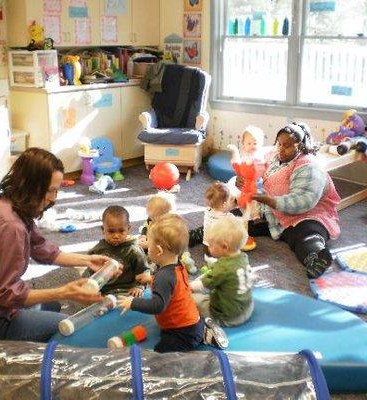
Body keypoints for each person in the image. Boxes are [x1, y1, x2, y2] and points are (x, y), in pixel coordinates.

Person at [0, 148, 121, 342]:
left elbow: (41, 248)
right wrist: (66, 292)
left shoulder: (8, 203)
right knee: (68, 326)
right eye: (50, 191)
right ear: (30, 185)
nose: (54, 198)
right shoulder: (11, 226)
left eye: (56, 190)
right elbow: (6, 294)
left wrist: (88, 260)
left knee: (52, 306)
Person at [237, 122, 341, 279]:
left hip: (305, 215)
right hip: (273, 214)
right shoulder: (274, 155)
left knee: (305, 236)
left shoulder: (310, 167)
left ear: (299, 146)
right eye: (278, 144)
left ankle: (316, 257)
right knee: (238, 218)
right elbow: (254, 168)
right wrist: (243, 179)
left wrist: (270, 200)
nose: (279, 149)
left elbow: (303, 200)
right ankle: (207, 231)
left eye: (286, 146)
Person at [119, 214, 228, 352]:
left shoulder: (164, 276)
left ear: (158, 250)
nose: (147, 247)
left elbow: (158, 306)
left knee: (160, 354)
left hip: (182, 332)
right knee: (187, 328)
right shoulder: (178, 265)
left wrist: (133, 303)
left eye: (148, 243)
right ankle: (203, 332)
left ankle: (200, 336)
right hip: (192, 320)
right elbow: (173, 286)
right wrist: (150, 279)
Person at [191, 216, 254, 327]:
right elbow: (229, 270)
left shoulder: (223, 268)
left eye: (210, 244)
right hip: (247, 308)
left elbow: (203, 286)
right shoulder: (243, 257)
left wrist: (187, 286)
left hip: (228, 317)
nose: (208, 247)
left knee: (192, 298)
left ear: (224, 247)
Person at [84, 206, 149, 297]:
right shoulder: (97, 250)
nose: (116, 236)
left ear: (128, 229)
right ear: (103, 230)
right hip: (103, 291)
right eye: (111, 231)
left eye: (121, 231)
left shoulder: (134, 250)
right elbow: (90, 271)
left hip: (127, 289)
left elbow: (144, 271)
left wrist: (139, 286)